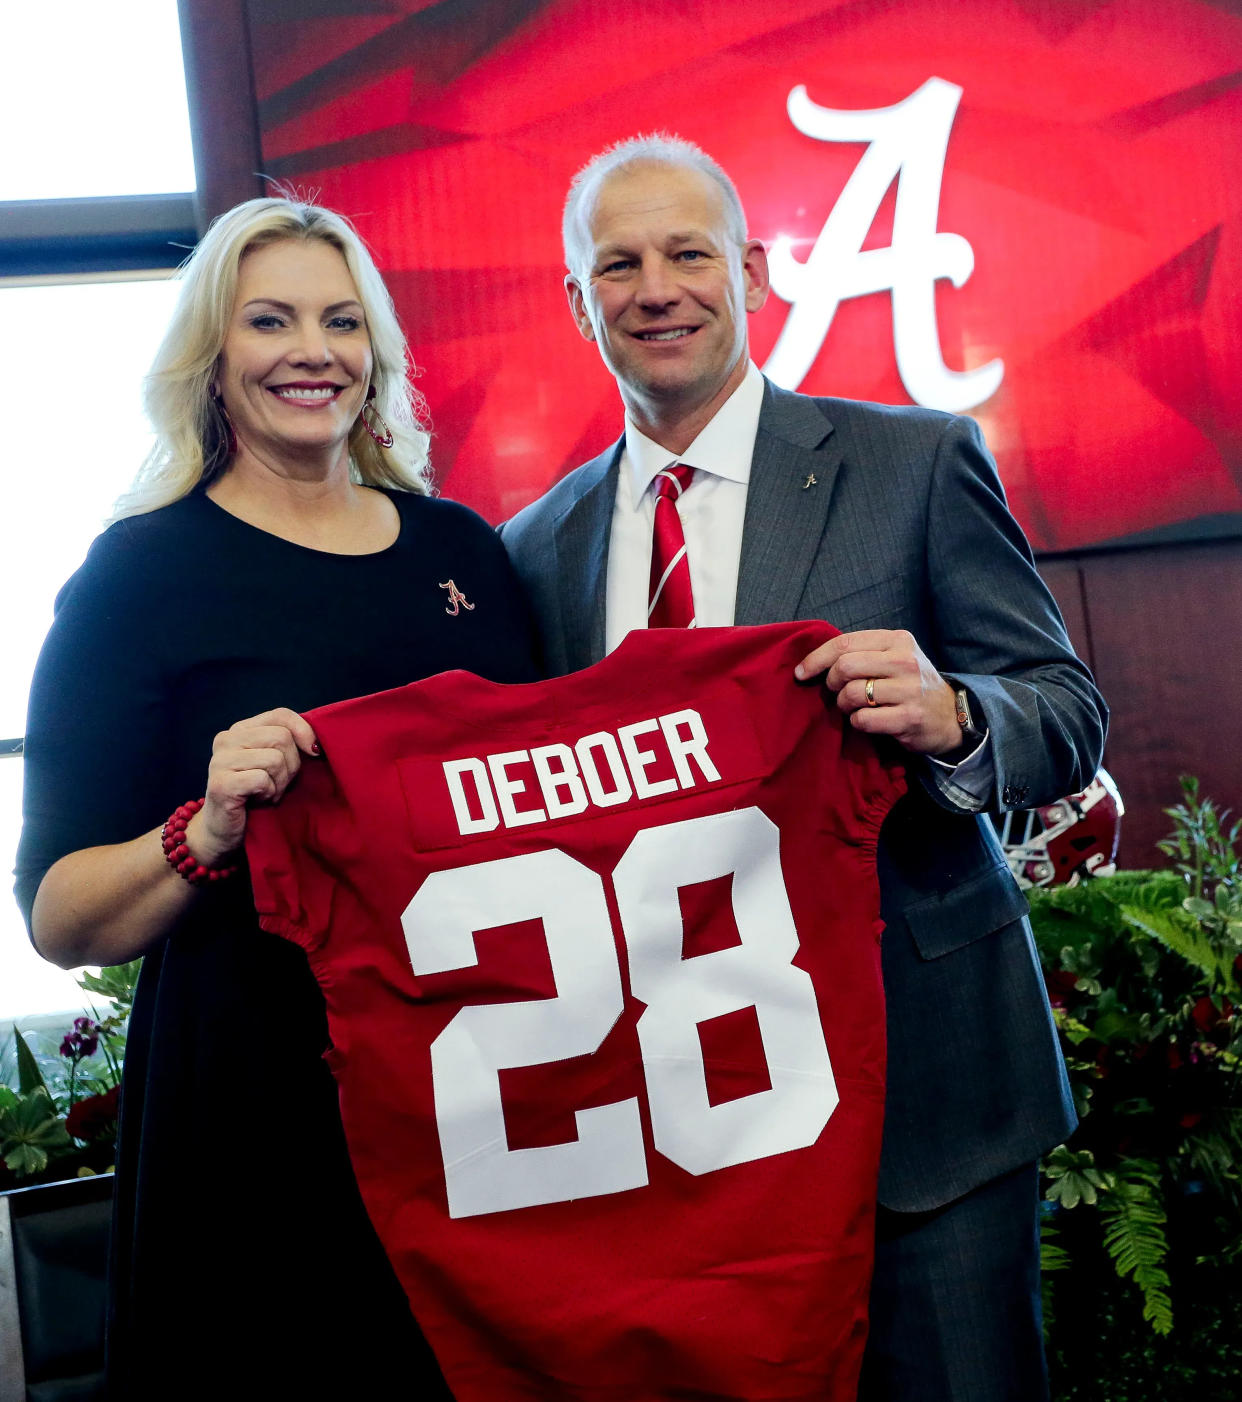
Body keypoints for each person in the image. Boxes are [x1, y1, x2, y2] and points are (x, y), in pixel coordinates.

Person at [500, 135, 1109, 1401]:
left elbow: (1065, 709)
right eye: (618, 264)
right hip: (688, 1131)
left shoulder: (915, 460)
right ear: (576, 301)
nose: (656, 288)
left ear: (755, 273)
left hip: (926, 1108)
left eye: (688, 253)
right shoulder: (536, 545)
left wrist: (955, 714)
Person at [15, 196, 537, 1400]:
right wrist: (201, 830)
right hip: (253, 1105)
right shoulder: (138, 573)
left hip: (476, 1091)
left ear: (378, 354)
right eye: (271, 320)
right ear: (212, 356)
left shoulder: (463, 551)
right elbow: (58, 915)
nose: (314, 351)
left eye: (342, 321)